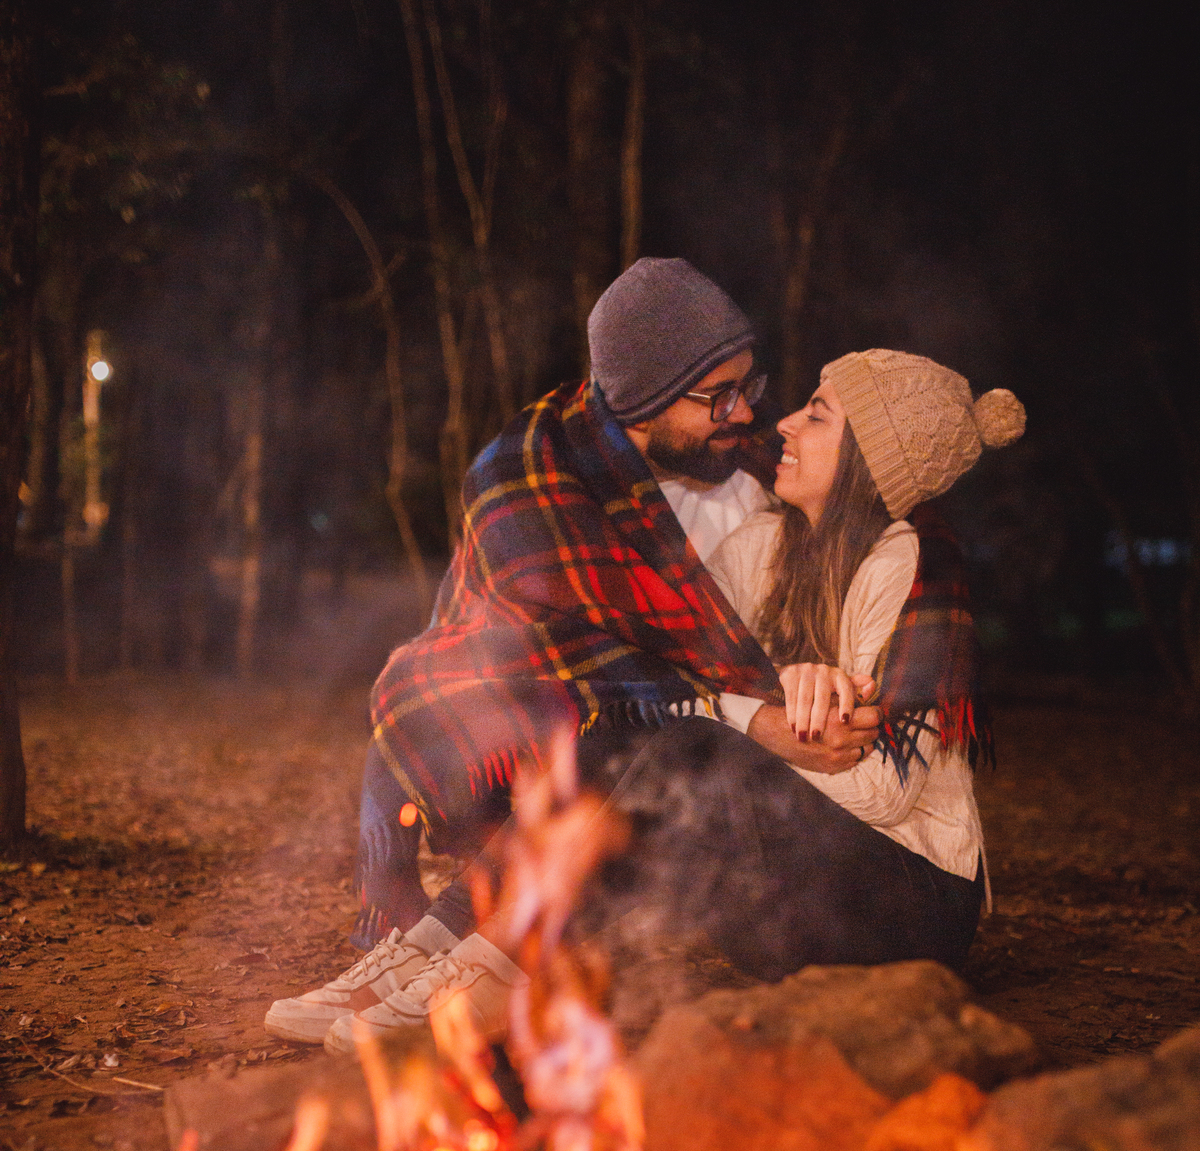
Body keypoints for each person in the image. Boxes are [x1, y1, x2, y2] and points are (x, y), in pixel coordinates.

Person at [298, 347, 1023, 1049]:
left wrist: (744, 724)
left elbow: (882, 791)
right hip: (789, 889)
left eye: (819, 416)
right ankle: (438, 950)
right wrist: (759, 717)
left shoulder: (912, 571)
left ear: (874, 456)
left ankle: (483, 979)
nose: (785, 425)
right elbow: (680, 683)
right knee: (617, 736)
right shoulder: (761, 548)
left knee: (676, 748)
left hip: (905, 906)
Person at [266, 261, 880, 1045]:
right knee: (531, 718)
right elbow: (544, 658)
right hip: (556, 724)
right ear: (643, 400)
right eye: (716, 396)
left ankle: (470, 966)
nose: (743, 414)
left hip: (705, 769)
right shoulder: (525, 474)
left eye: (747, 386)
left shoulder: (756, 472)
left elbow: (834, 557)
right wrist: (743, 709)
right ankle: (426, 954)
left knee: (632, 750)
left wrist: (766, 699)